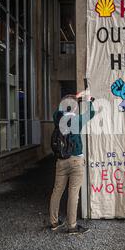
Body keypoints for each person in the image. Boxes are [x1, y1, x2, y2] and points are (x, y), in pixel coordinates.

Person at [49, 93, 95, 234]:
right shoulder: (78, 120)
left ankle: (54, 222)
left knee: (57, 191)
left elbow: (57, 111)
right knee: (73, 193)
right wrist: (89, 100)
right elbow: (91, 113)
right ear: (75, 108)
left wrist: (71, 98)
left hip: (61, 160)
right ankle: (72, 226)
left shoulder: (58, 118)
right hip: (76, 160)